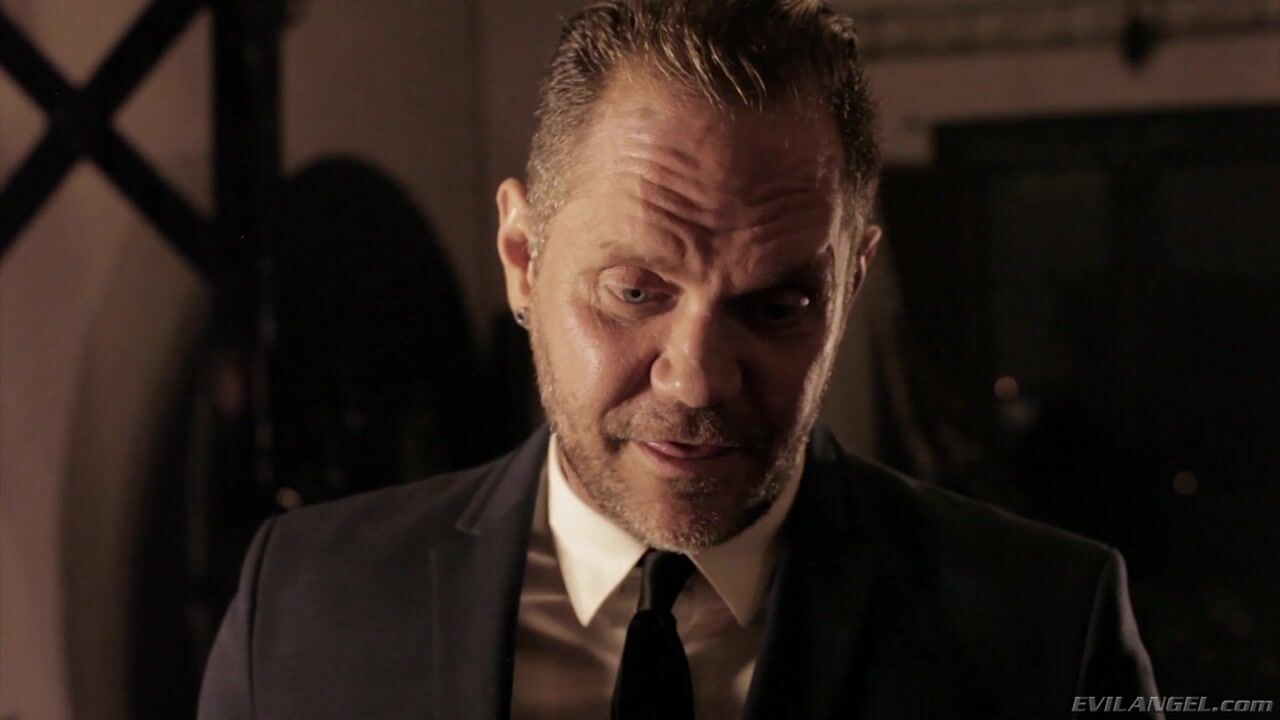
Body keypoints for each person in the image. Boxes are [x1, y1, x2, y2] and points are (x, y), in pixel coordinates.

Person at [197, 2, 1162, 718]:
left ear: (852, 286)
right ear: (523, 260)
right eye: (634, 292)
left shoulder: (1045, 630)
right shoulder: (306, 600)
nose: (696, 377)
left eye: (776, 307)